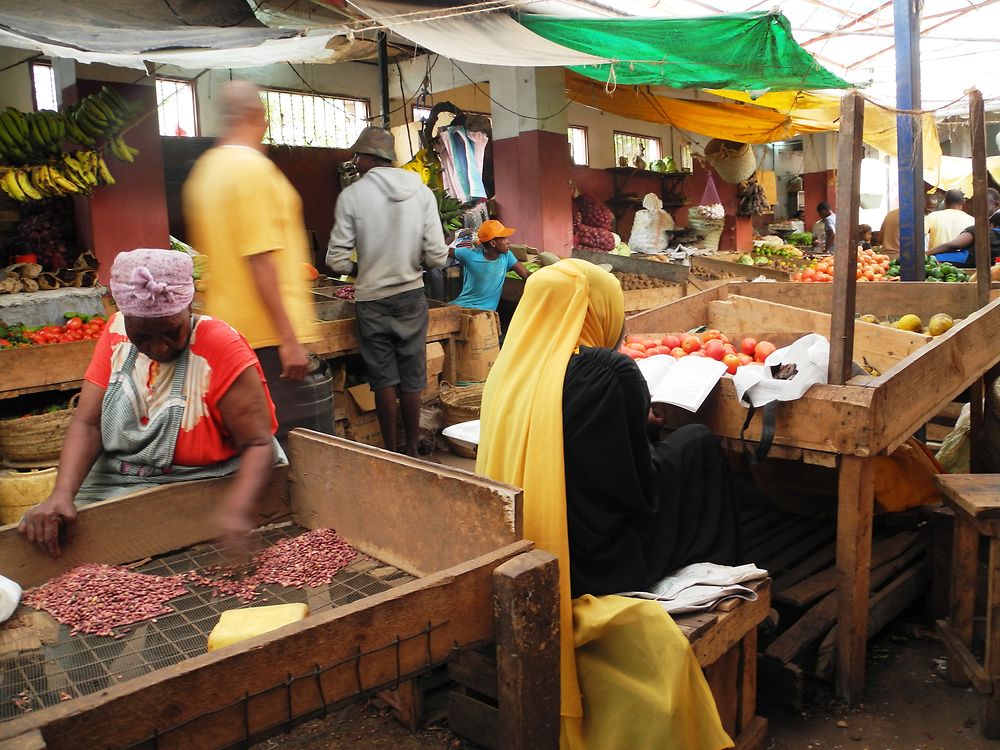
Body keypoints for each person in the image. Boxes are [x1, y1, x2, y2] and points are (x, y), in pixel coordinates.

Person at [476, 258, 740, 749]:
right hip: (599, 564)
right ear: (599, 310)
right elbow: (639, 490)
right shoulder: (608, 370)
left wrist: (634, 430)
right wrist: (651, 433)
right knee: (699, 444)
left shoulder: (507, 372)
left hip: (528, 547)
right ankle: (720, 563)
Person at [18, 249, 284, 558]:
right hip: (121, 479)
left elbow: (258, 444)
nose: (158, 347)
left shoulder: (219, 345)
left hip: (213, 481)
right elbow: (88, 424)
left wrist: (237, 510)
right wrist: (62, 495)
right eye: (141, 335)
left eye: (172, 332)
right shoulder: (116, 332)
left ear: (188, 308)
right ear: (126, 318)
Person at [182, 80, 322, 453]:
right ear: (257, 117)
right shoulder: (252, 171)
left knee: (250, 448)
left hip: (227, 335)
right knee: (293, 453)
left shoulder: (205, 171)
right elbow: (259, 259)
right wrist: (290, 340)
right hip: (266, 343)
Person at [327, 126, 449, 455]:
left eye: (357, 155)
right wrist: (413, 262)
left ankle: (391, 450)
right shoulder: (421, 192)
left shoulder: (352, 195)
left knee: (383, 378)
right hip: (410, 297)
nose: (354, 160)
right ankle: (410, 447)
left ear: (370, 158)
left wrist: (361, 269)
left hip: (372, 302)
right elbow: (438, 255)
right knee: (411, 376)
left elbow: (336, 260)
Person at [449, 219, 531, 311]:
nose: (509, 242)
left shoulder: (507, 256)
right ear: (493, 243)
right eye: (504, 238)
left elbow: (526, 275)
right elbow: (443, 251)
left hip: (484, 313)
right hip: (461, 306)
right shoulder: (469, 255)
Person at [929, 188, 1000, 267]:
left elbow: (955, 245)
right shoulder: (973, 221)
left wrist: (926, 254)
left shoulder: (978, 229)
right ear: (963, 202)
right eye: (976, 204)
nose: (977, 208)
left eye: (982, 204)